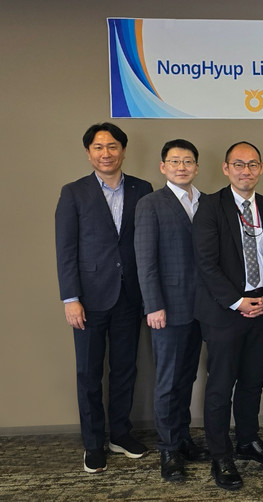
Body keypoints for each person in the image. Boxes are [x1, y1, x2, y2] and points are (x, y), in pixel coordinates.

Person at [55, 122, 153, 473]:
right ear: (89, 153)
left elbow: (147, 243)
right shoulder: (73, 192)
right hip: (89, 299)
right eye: (98, 147)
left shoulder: (143, 189)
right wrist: (70, 298)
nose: (106, 153)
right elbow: (66, 250)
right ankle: (93, 443)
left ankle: (120, 434)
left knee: (125, 370)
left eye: (112, 146)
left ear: (123, 150)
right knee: (89, 373)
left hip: (130, 296)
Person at [192, 141, 263, 490]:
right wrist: (236, 301)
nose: (246, 170)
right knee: (220, 386)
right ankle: (221, 455)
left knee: (252, 381)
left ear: (261, 169)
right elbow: (206, 263)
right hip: (224, 311)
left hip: (262, 308)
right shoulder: (209, 206)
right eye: (239, 164)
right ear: (226, 168)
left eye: (252, 164)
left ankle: (248, 441)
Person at [134, 139, 209, 481]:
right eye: (175, 161)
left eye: (188, 161)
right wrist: (154, 305)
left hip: (202, 308)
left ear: (197, 167)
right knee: (167, 382)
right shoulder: (150, 204)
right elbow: (145, 260)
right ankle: (168, 449)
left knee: (187, 377)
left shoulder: (206, 203)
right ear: (163, 167)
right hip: (167, 309)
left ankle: (182, 439)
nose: (182, 167)